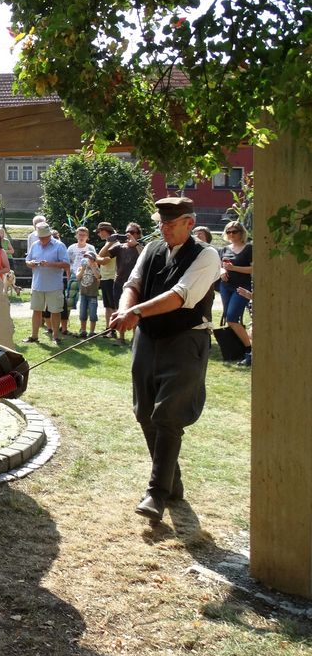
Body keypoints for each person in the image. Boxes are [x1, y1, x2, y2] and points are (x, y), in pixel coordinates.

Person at [108, 197, 219, 524]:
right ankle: (172, 481)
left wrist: (136, 312)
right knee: (144, 411)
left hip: (185, 340)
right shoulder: (153, 249)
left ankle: (156, 492)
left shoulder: (207, 256)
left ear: (190, 222)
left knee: (168, 414)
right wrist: (127, 309)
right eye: (161, 223)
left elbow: (180, 295)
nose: (165, 229)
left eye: (172, 224)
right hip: (148, 339)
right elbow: (134, 284)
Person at [98, 222, 144, 344]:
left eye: (133, 232)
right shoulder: (120, 247)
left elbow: (145, 259)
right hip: (119, 283)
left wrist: (136, 244)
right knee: (118, 309)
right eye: (127, 232)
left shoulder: (142, 247)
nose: (129, 234)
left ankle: (135, 339)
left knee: (135, 310)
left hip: (135, 284)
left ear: (138, 235)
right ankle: (121, 338)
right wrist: (110, 241)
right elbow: (101, 256)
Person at [24, 222, 69, 345]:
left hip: (54, 285)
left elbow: (66, 264)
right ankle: (34, 336)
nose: (42, 240)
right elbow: (27, 260)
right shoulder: (35, 245)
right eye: (40, 237)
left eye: (44, 237)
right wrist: (31, 263)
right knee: (36, 310)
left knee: (55, 311)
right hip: (37, 284)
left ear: (49, 235)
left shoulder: (59, 246)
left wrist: (50, 264)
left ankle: (55, 336)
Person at [218, 220, 252, 358]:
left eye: (234, 231)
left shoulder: (249, 248)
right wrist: (221, 272)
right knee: (229, 318)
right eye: (228, 231)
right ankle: (237, 348)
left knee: (232, 317)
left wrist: (234, 268)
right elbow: (220, 265)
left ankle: (249, 349)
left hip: (242, 288)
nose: (231, 234)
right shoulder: (225, 249)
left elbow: (253, 269)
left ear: (241, 233)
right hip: (226, 287)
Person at [62, 227, 97, 335]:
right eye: (80, 235)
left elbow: (95, 262)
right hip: (75, 275)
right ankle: (64, 326)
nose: (81, 237)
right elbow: (67, 263)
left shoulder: (91, 248)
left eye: (84, 235)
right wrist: (68, 275)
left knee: (85, 302)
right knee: (69, 300)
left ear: (87, 236)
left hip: (88, 277)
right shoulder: (71, 248)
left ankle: (84, 328)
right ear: (76, 235)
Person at [95, 221, 119, 336]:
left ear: (105, 231)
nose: (98, 234)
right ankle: (109, 329)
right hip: (105, 278)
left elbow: (102, 259)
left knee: (113, 306)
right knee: (107, 306)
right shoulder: (108, 243)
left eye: (99, 231)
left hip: (112, 279)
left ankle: (114, 329)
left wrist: (96, 258)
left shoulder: (114, 244)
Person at [76, 254, 101, 337]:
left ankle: (92, 331)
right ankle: (83, 330)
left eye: (90, 259)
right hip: (83, 294)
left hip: (92, 295)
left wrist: (93, 267)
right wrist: (83, 269)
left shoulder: (96, 268)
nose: (88, 260)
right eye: (86, 258)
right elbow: (78, 277)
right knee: (82, 313)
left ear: (94, 260)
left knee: (93, 313)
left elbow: (98, 276)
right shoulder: (81, 268)